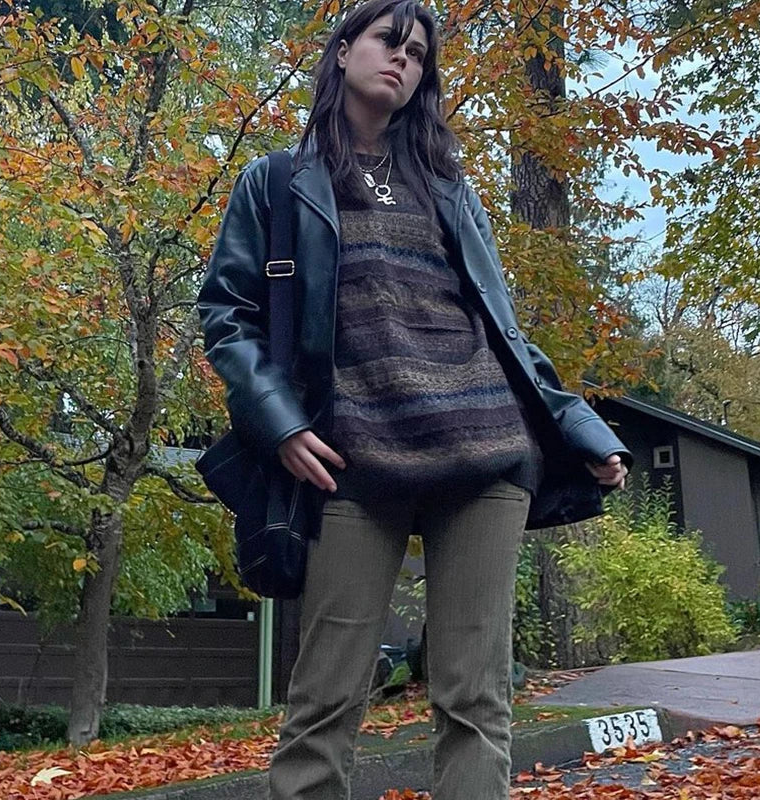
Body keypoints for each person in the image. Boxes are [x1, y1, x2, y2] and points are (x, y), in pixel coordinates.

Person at [197, 1, 630, 797]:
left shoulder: (448, 187)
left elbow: (500, 326)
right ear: (341, 53)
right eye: (386, 41)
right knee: (324, 702)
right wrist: (280, 423)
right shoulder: (278, 181)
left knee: (475, 702)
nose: (401, 59)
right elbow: (227, 316)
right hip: (350, 464)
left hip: (485, 452)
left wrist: (579, 425)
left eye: (418, 54)